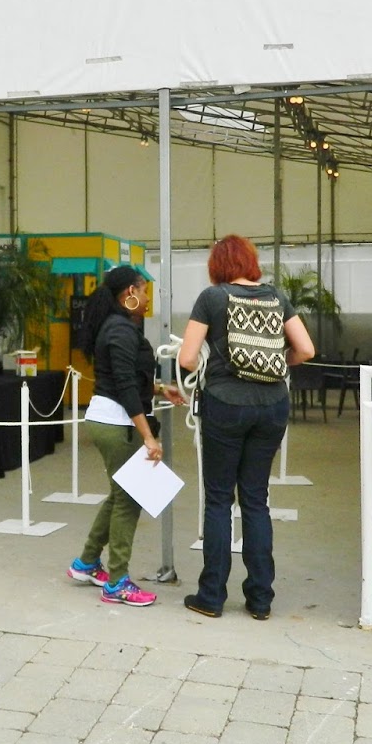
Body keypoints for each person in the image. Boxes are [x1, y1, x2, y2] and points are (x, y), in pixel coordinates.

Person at [177, 235, 315, 621]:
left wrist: (211, 368)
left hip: (225, 405)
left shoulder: (212, 298)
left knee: (219, 500)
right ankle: (260, 599)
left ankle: (211, 596)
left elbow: (187, 358)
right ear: (251, 262)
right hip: (272, 406)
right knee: (256, 499)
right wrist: (275, 363)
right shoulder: (276, 296)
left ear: (217, 265)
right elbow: (306, 350)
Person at [67, 266, 185, 607]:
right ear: (129, 293)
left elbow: (128, 377)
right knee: (128, 500)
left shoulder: (119, 326)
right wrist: (148, 436)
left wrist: (160, 389)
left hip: (112, 419)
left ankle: (87, 562)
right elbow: (124, 386)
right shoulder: (119, 329)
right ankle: (117, 582)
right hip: (117, 423)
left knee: (119, 495)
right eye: (144, 290)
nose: (148, 298)